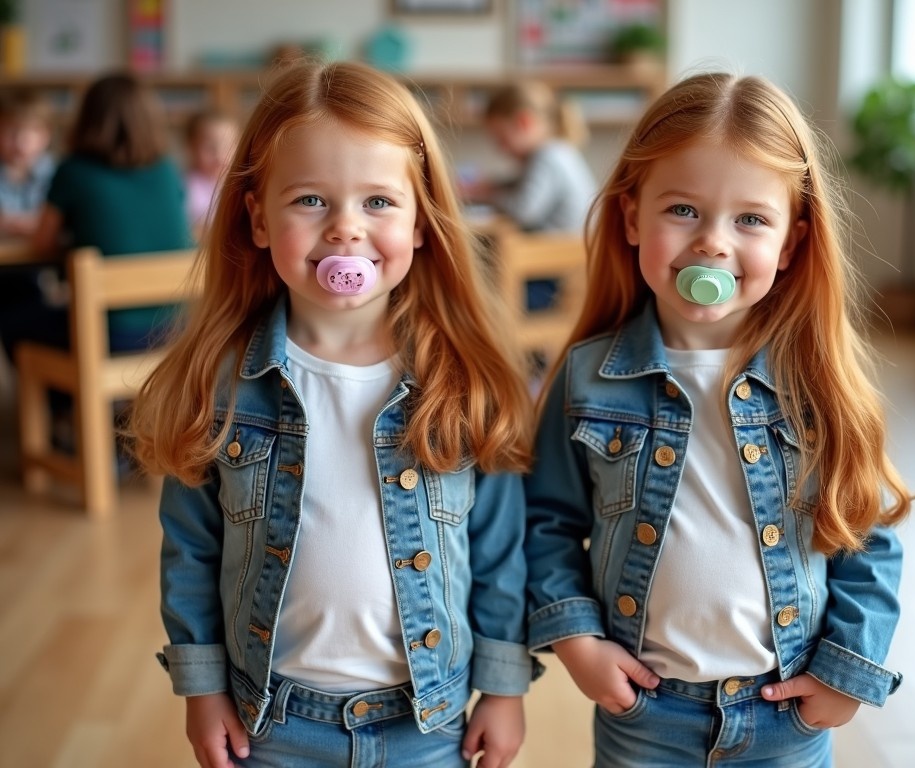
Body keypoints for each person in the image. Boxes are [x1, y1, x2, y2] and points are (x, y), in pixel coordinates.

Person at [128, 60, 536, 768]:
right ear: (258, 218)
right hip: (272, 719)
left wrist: (503, 689)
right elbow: (190, 550)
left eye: (378, 202)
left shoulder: (461, 382)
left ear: (421, 222)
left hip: (427, 721)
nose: (346, 230)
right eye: (311, 200)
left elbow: (501, 552)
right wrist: (201, 689)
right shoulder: (219, 385)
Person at [523, 71, 915, 767]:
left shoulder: (818, 381)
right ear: (631, 216)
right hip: (645, 713)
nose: (713, 243)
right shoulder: (588, 376)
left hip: (783, 714)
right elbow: (546, 524)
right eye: (683, 211)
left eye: (750, 220)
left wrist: (847, 667)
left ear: (791, 244)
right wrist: (577, 640)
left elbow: (867, 527)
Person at [0, 71, 192, 362]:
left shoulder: (73, 170)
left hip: (109, 335)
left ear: (86, 117)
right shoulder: (167, 169)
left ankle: (65, 402)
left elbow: (43, 243)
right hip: (175, 329)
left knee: (12, 319)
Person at [463, 80, 597, 313]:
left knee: (483, 278)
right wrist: (490, 187)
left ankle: (513, 341)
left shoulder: (548, 157)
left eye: (501, 138)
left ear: (523, 122)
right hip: (562, 263)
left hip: (549, 268)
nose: (500, 148)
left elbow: (524, 209)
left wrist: (486, 194)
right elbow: (519, 186)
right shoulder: (558, 152)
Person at [0, 87, 55, 237]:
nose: (20, 143)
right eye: (11, 133)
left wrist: (8, 222)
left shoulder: (57, 174)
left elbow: (60, 224)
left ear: (46, 136)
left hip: (46, 257)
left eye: (31, 133)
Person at [182, 107, 239, 240]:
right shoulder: (187, 185)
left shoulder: (239, 183)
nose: (219, 155)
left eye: (227, 146)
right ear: (191, 148)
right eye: (209, 147)